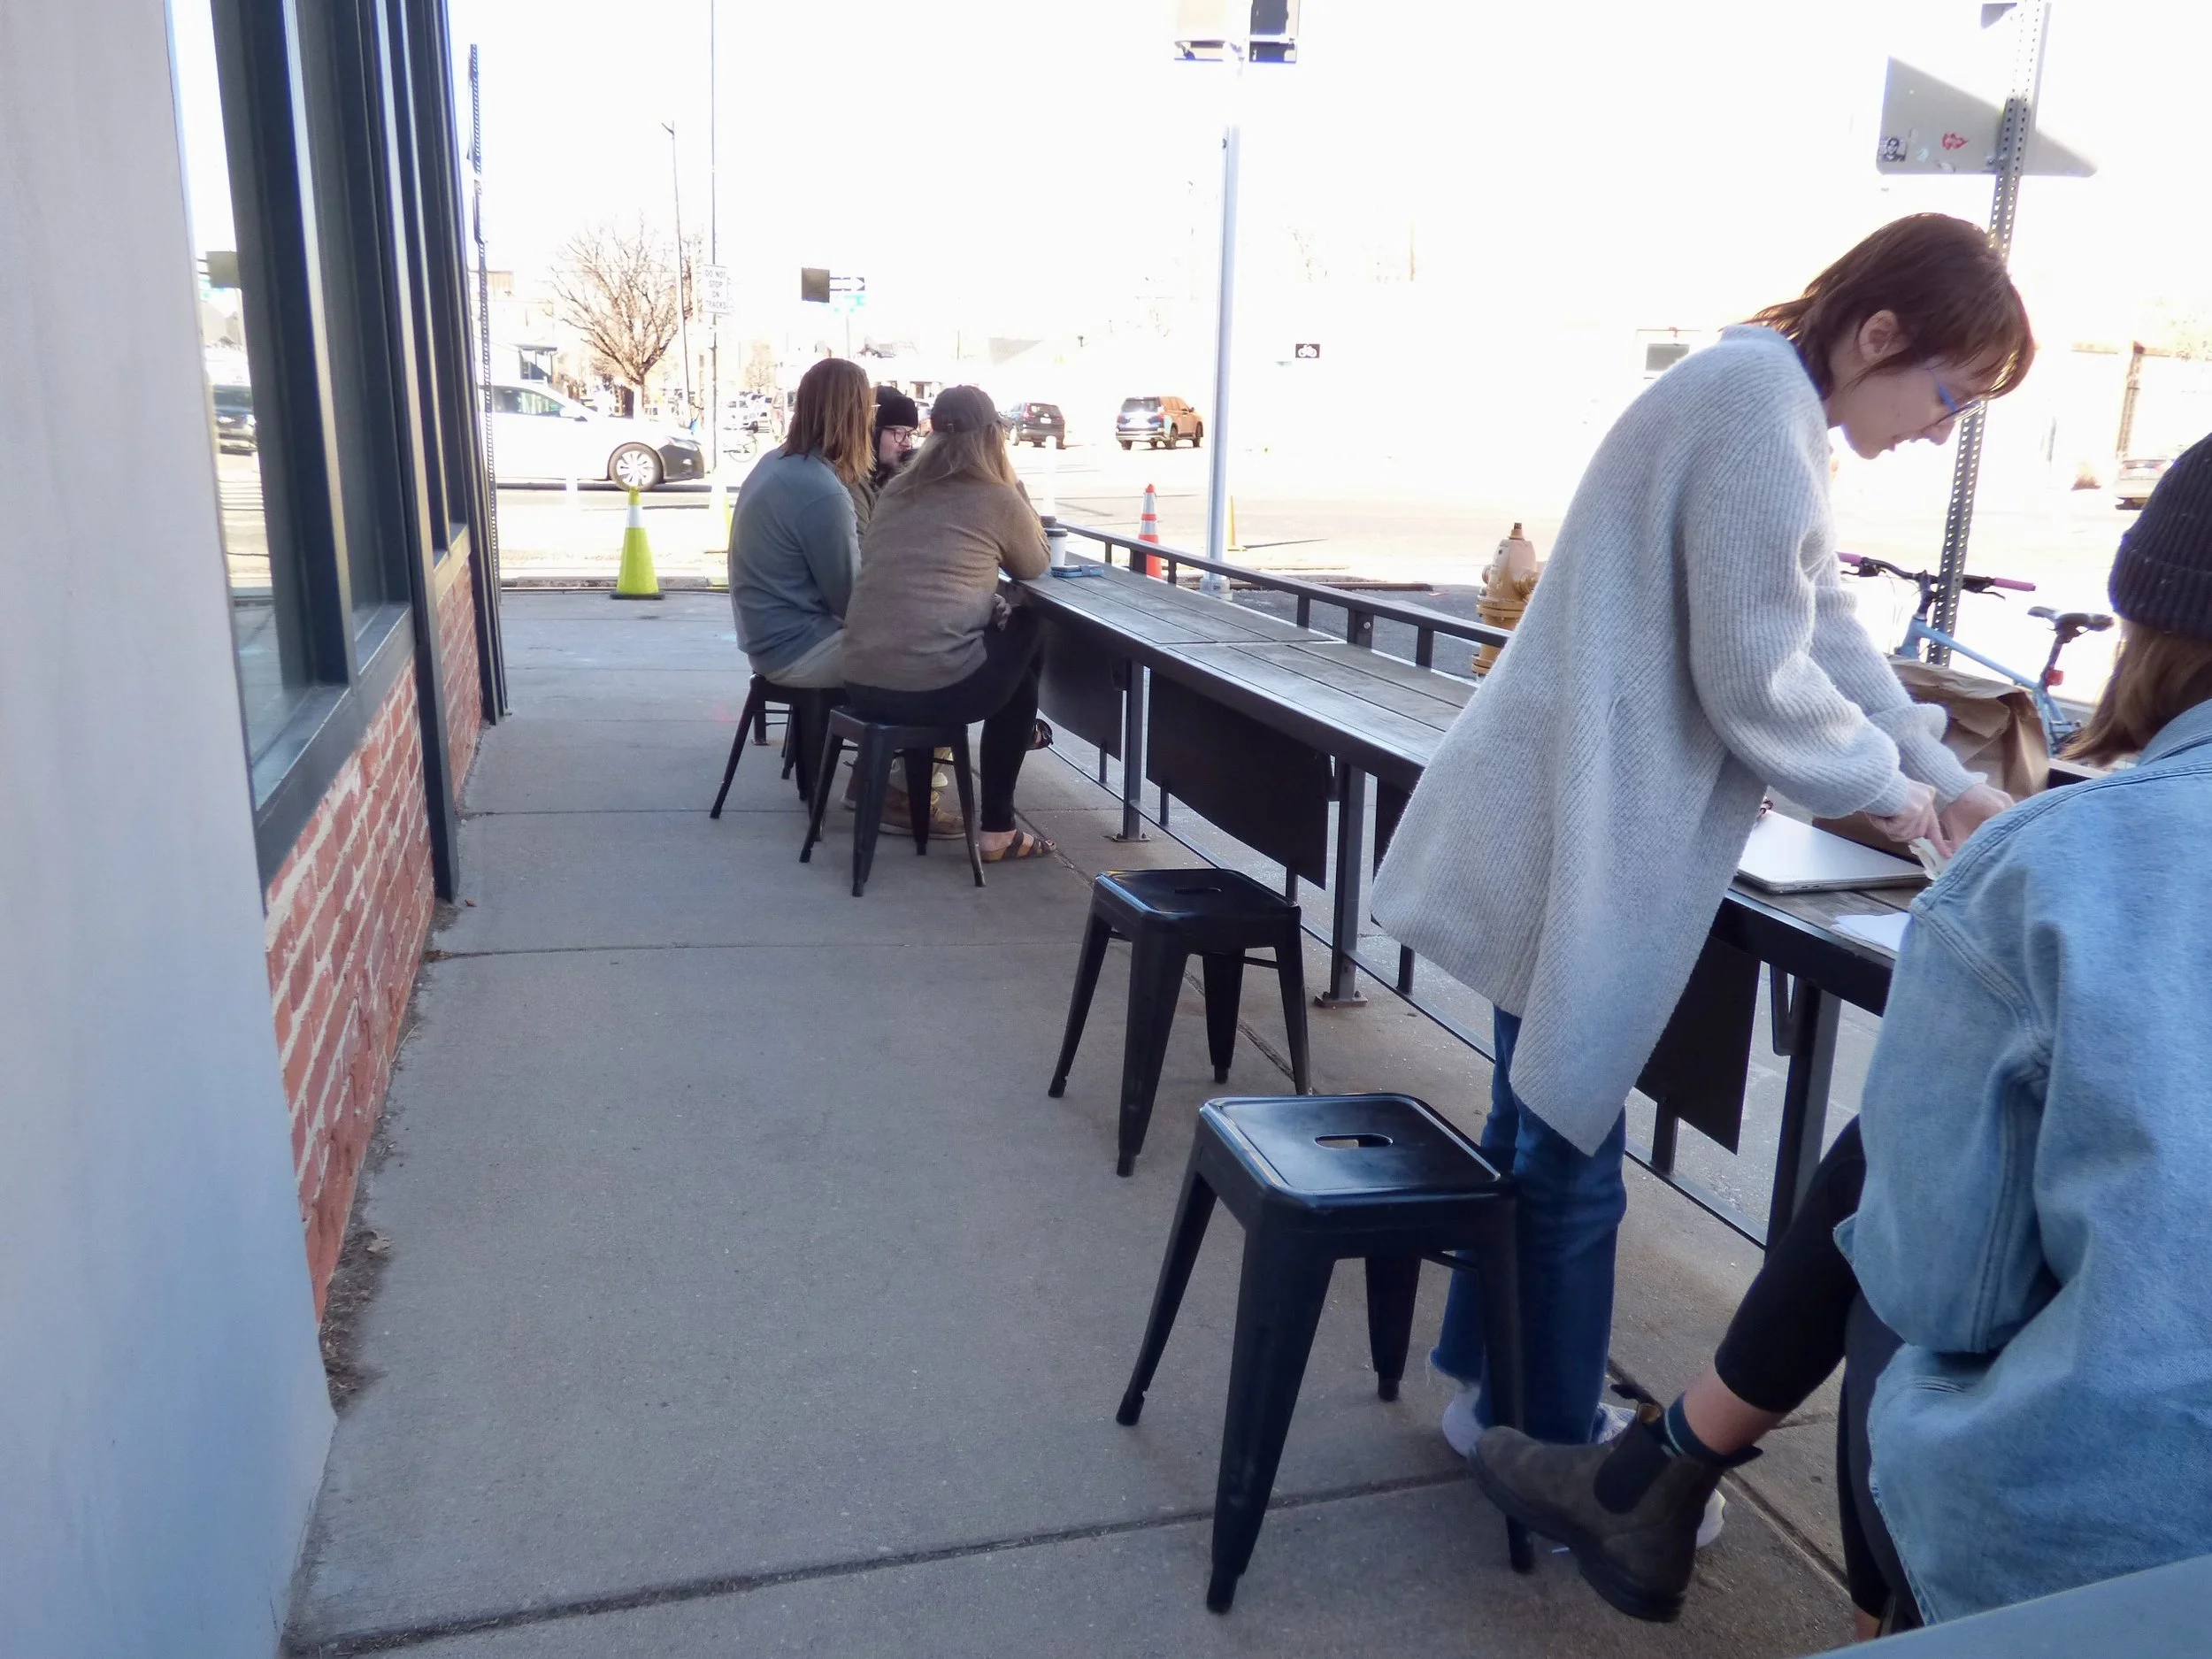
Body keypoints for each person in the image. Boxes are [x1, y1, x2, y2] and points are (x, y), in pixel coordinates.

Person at [1468, 432, 2212, 1635]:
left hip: (2095, 1546)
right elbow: (1808, 635)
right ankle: (1650, 1473)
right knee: (1882, 1157)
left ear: (2159, 624)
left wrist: (1927, 812)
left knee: (1892, 1230)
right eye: (1953, 390)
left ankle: (1669, 1483)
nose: (1939, 419)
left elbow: (1939, 1288)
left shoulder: (2060, 872)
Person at [1368, 214, 2032, 1488]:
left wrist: (1948, 779)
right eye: (1949, 395)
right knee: (1569, 1155)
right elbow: (1763, 682)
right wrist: (1906, 803)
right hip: (1582, 826)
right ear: (1881, 332)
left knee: (1537, 1122)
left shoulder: (1763, 399)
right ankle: (1554, 1441)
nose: (1942, 430)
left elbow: (1822, 626)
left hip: (1566, 811)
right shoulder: (1754, 410)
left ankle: (1488, 1390)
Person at [839, 385, 1055, 862]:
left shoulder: (898, 488)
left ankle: (1018, 740)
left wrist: (983, 599)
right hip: (930, 690)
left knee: (1013, 681)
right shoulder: (997, 497)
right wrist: (1015, 489)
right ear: (995, 436)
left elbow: (925, 585)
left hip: (861, 681)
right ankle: (999, 825)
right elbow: (1035, 565)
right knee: (1030, 627)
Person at [727, 357, 872, 689]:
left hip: (768, 642)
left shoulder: (774, 463)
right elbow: (853, 602)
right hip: (800, 651)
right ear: (855, 416)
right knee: (928, 658)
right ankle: (920, 743)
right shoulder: (821, 490)